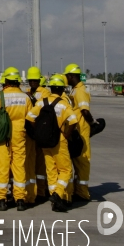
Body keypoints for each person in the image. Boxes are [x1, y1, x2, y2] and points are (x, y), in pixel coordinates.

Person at [26, 74, 78, 212]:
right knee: (66, 170)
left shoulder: (41, 102)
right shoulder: (63, 104)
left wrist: (39, 131)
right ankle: (58, 193)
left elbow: (29, 117)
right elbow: (73, 121)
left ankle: (55, 201)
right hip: (59, 141)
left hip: (44, 142)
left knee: (51, 171)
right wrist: (66, 134)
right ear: (61, 89)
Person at [0, 66, 33, 211]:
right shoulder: (25, 97)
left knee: (2, 165)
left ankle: (1, 199)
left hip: (3, 134)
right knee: (19, 165)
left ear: (5, 80)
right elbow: (31, 117)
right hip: (20, 134)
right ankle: (20, 199)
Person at [63, 63, 96, 201]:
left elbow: (85, 111)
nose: (65, 78)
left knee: (82, 162)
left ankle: (82, 193)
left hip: (82, 131)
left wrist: (93, 123)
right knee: (77, 161)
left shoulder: (80, 91)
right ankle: (77, 190)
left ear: (71, 76)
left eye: (66, 76)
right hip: (77, 130)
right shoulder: (75, 90)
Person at [25, 67, 50, 205]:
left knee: (41, 164)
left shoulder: (44, 92)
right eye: (31, 80)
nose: (33, 82)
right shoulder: (28, 92)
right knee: (31, 162)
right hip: (31, 131)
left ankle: (41, 191)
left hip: (40, 130)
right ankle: (33, 191)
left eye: (35, 80)